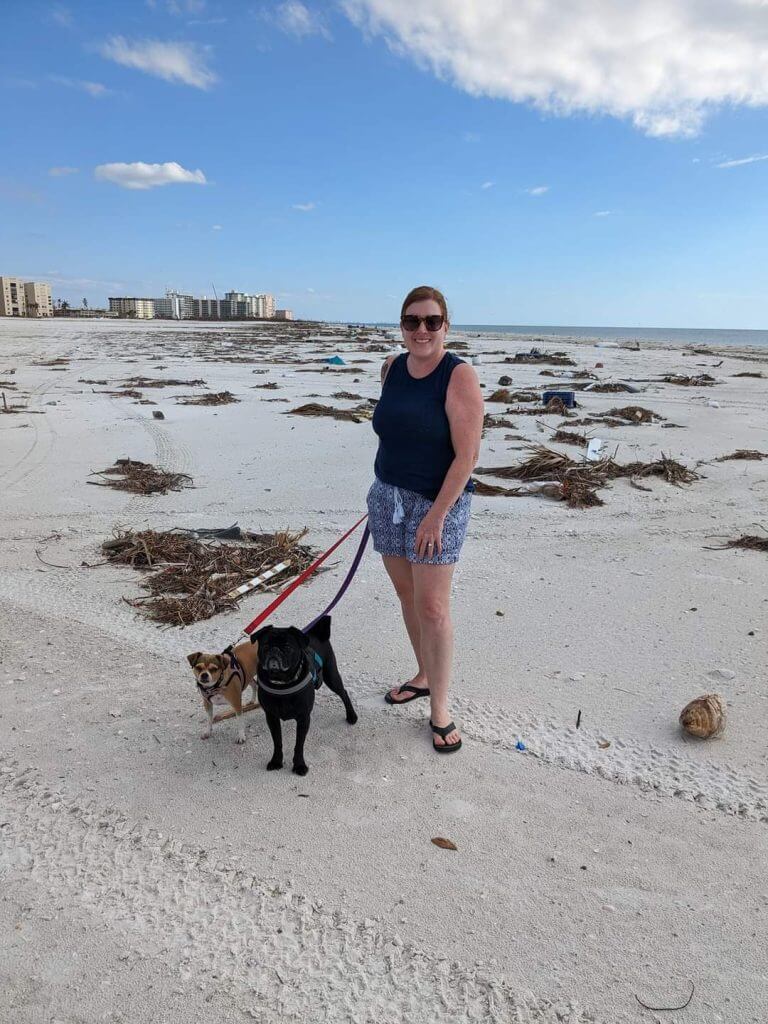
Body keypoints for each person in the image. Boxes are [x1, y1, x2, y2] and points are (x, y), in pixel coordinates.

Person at [366, 285, 484, 753]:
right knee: (406, 594)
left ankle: (440, 706)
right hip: (387, 497)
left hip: (438, 504)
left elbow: (468, 455)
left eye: (431, 322)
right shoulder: (392, 368)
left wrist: (435, 517)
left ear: (445, 327)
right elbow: (392, 435)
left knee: (433, 608)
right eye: (412, 321)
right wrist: (382, 489)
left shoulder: (459, 376)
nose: (421, 330)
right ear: (402, 326)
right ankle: (422, 673)